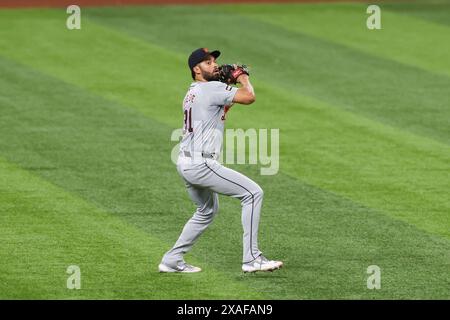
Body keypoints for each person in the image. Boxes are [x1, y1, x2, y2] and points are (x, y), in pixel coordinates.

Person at [158, 48, 283, 273]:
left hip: (185, 163)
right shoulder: (212, 88)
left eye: (215, 61)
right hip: (202, 164)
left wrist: (227, 84)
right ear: (196, 69)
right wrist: (242, 78)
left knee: (206, 211)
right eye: (207, 62)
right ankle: (252, 258)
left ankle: (172, 260)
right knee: (253, 193)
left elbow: (222, 107)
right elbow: (249, 97)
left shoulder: (193, 92)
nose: (214, 65)